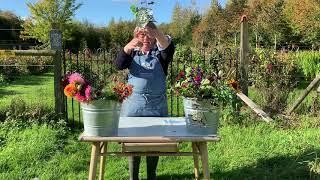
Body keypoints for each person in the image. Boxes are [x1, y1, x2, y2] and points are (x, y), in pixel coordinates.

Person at [114, 22, 175, 180]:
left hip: (156, 108)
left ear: (155, 37)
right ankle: (133, 176)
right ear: (136, 36)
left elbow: (168, 50)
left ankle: (151, 176)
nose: (146, 38)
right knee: (134, 144)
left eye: (149, 35)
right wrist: (133, 42)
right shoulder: (132, 53)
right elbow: (118, 64)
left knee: (154, 145)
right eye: (142, 34)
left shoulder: (160, 55)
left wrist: (155, 32)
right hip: (133, 107)